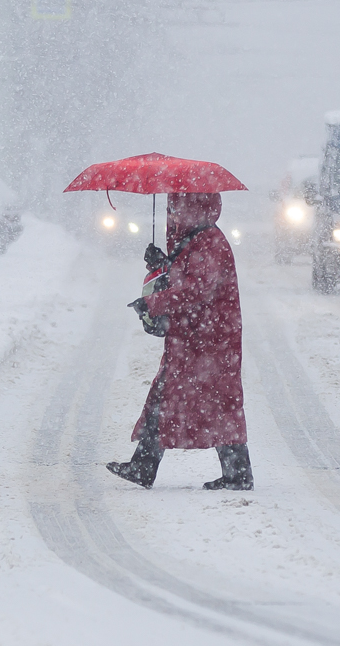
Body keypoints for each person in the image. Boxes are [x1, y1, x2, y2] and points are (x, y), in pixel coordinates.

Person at [107, 192, 253, 491]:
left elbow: (196, 290)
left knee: (212, 403)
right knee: (180, 398)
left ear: (196, 208)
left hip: (210, 341)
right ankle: (146, 465)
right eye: (170, 206)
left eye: (178, 206)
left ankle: (234, 473)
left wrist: (155, 303)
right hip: (196, 339)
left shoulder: (209, 242)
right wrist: (163, 263)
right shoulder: (197, 239)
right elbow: (187, 278)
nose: (172, 212)